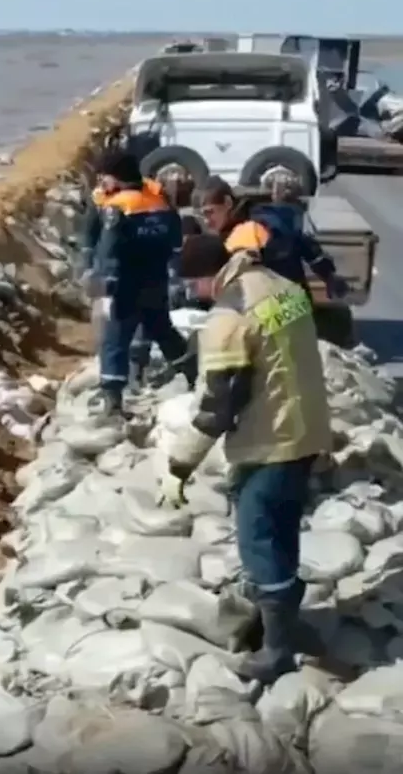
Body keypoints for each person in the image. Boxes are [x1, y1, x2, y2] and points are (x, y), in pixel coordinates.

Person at [160, 233, 332, 683]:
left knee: (257, 536)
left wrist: (178, 467)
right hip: (306, 429)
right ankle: (288, 629)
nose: (193, 294)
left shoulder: (228, 317)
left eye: (193, 285)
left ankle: (275, 650)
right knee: (283, 530)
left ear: (206, 278)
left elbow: (219, 407)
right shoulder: (281, 285)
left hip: (269, 439)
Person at [92, 151, 195, 414]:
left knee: (114, 338)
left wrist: (106, 283)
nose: (102, 182)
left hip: (127, 284)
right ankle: (196, 375)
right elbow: (174, 242)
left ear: (116, 176)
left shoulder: (119, 206)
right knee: (163, 331)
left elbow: (109, 248)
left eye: (104, 176)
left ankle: (112, 400)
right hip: (156, 281)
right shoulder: (160, 200)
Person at [198, 175, 348, 301]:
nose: (206, 221)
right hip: (296, 303)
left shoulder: (247, 231)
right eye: (203, 215)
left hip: (274, 307)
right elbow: (303, 244)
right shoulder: (264, 218)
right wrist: (329, 276)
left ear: (228, 203)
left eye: (210, 212)